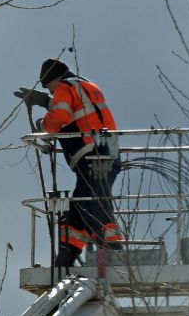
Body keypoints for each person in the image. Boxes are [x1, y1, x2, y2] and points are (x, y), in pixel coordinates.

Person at [15, 59, 123, 267]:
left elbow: (60, 117)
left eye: (49, 88)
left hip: (93, 155)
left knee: (91, 205)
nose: (52, 93)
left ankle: (113, 254)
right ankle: (64, 262)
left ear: (54, 79)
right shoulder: (86, 85)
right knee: (78, 209)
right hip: (108, 154)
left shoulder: (64, 87)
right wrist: (44, 101)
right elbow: (78, 110)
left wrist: (43, 126)